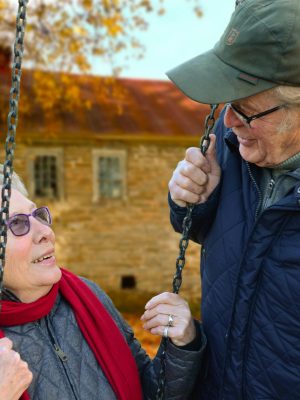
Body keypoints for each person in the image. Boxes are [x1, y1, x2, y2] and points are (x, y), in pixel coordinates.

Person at [167, 0, 300, 399]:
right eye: (228, 105)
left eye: (245, 109)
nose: (228, 121)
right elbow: (223, 237)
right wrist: (192, 202)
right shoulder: (231, 145)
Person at [0, 169, 206, 400]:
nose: (45, 232)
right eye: (17, 224)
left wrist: (182, 345)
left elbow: (148, 392)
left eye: (37, 215)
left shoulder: (87, 297)